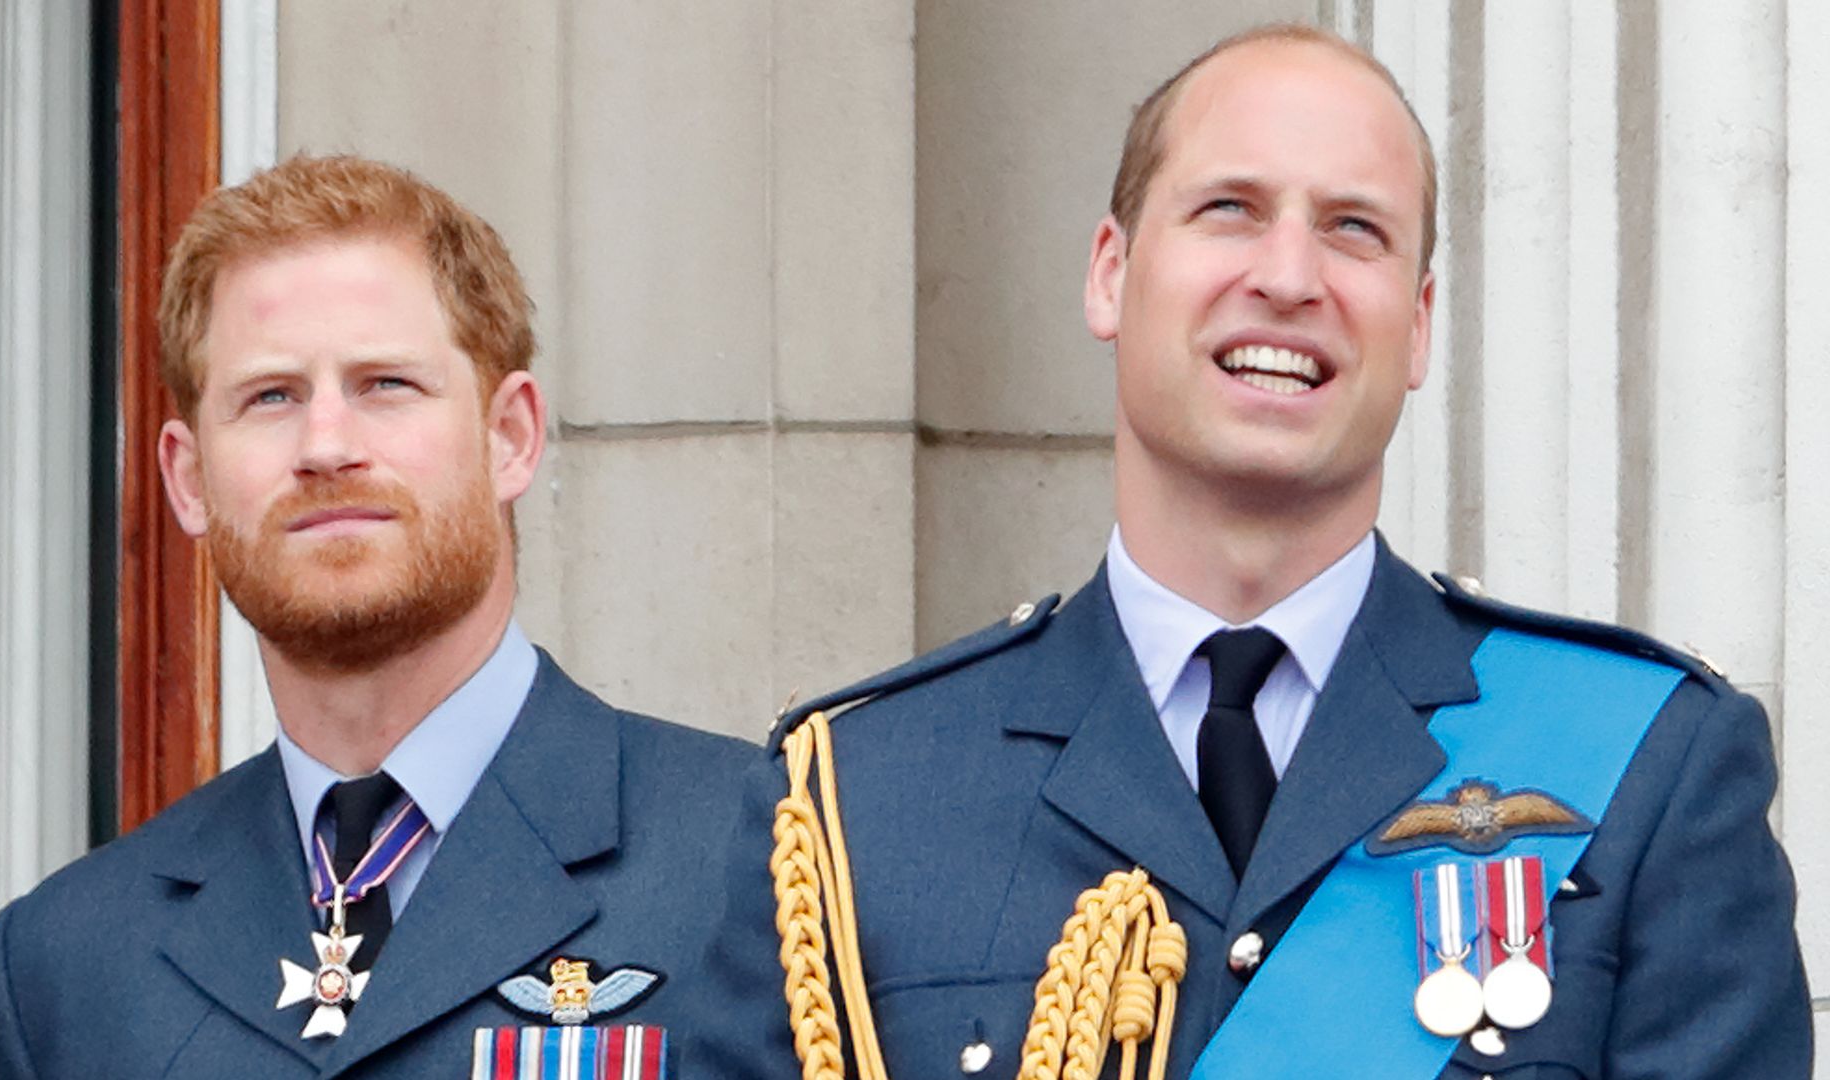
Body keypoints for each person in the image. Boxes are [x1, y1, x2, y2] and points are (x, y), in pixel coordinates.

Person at [699, 23, 1813, 1079]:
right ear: (1108, 273)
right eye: (1229, 209)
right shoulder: (852, 802)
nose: (1289, 276)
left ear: (1417, 323)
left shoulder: (1648, 769)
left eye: (1353, 228)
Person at [0, 155, 753, 1079]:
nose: (326, 446)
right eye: (271, 396)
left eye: (385, 384)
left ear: (510, 437)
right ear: (188, 478)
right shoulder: (69, 964)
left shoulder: (762, 863)